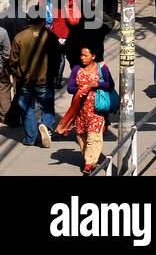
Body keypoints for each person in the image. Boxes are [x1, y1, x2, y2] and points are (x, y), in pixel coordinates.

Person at [56, 45, 114, 175]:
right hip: (80, 111)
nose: (82, 58)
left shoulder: (102, 68)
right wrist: (81, 89)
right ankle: (91, 159)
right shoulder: (77, 69)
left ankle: (89, 164)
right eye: (81, 55)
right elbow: (70, 87)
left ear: (93, 56)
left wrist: (96, 84)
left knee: (94, 136)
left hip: (96, 110)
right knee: (82, 137)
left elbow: (110, 85)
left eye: (85, 55)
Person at [9, 15, 58, 148]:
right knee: (47, 107)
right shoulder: (51, 36)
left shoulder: (19, 37)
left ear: (29, 20)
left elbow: (13, 60)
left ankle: (31, 138)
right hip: (45, 79)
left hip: (25, 80)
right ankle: (45, 125)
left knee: (27, 109)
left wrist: (14, 73)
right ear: (43, 20)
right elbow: (56, 58)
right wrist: (53, 75)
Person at [0, 25, 10, 129]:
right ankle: (4, 115)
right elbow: (7, 53)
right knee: (4, 88)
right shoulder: (2, 32)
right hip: (0, 67)